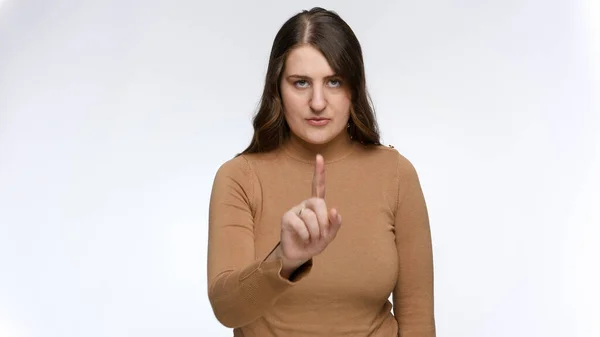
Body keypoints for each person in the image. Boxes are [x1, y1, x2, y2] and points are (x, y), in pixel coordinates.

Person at [207, 7, 436, 337]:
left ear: (354, 88)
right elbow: (227, 309)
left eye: (334, 81)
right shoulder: (240, 178)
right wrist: (284, 259)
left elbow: (417, 320)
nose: (317, 102)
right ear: (277, 89)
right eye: (300, 83)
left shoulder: (396, 175)